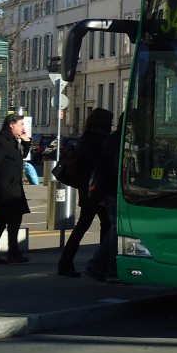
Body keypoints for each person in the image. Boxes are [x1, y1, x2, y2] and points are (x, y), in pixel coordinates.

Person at [57, 108, 113, 278]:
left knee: (82, 226)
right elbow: (103, 167)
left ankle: (65, 263)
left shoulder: (85, 138)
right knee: (106, 226)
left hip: (86, 189)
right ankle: (102, 264)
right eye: (109, 121)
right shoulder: (102, 139)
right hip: (98, 190)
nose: (111, 124)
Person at [0, 113, 32, 265]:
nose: (23, 128)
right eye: (21, 125)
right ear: (11, 125)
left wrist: (26, 141)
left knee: (8, 221)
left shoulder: (12, 140)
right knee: (2, 221)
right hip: (4, 189)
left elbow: (23, 155)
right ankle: (0, 254)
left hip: (12, 187)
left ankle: (1, 254)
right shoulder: (2, 141)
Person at [84, 117, 122, 283]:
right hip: (112, 191)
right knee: (117, 229)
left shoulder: (112, 138)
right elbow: (113, 169)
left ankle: (100, 265)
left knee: (114, 228)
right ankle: (104, 267)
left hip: (105, 191)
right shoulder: (117, 139)